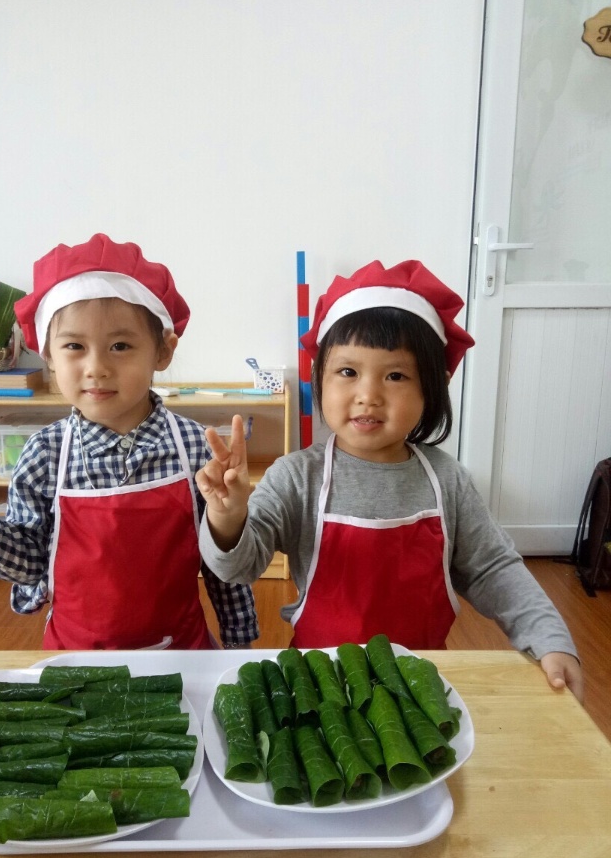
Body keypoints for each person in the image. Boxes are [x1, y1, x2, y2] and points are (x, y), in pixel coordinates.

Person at [197, 258, 583, 701]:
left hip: (419, 690)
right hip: (317, 688)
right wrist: (227, 518)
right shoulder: (296, 477)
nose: (368, 395)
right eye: (348, 372)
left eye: (395, 375)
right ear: (319, 378)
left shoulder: (447, 480)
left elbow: (494, 569)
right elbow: (238, 567)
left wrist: (550, 639)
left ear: (432, 388)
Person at [0, 233, 258, 651]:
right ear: (48, 355)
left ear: (163, 352)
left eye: (120, 345)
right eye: (74, 346)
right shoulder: (44, 454)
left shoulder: (195, 448)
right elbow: (29, 564)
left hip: (182, 654)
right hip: (75, 663)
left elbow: (222, 565)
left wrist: (238, 645)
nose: (96, 367)